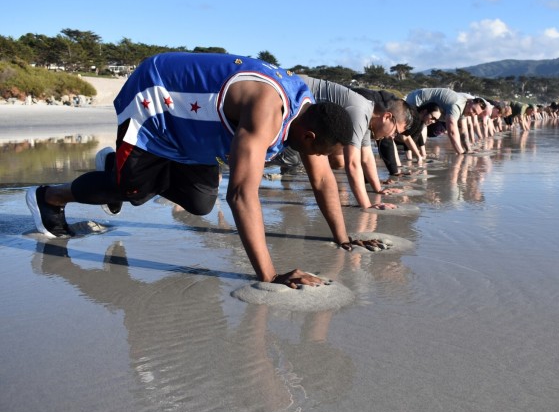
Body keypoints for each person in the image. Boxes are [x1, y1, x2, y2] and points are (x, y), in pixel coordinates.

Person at [26, 52, 382, 289]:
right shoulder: (268, 113)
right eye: (322, 152)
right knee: (130, 192)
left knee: (199, 203)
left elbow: (321, 181)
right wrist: (270, 276)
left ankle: (118, 167)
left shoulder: (308, 112)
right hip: (156, 104)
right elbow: (242, 195)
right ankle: (51, 196)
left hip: (195, 132)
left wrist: (344, 238)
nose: (325, 160)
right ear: (310, 136)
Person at [270, 77, 414, 209]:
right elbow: (352, 163)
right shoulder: (360, 112)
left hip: (297, 106)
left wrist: (379, 190)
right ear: (387, 117)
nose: (392, 136)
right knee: (289, 157)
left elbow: (366, 157)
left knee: (321, 158)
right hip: (285, 93)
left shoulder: (367, 116)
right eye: (395, 131)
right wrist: (367, 206)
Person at [405, 88, 486, 154]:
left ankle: (419, 152)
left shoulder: (466, 108)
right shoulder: (456, 105)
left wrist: (468, 150)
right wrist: (460, 152)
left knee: (423, 125)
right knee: (417, 126)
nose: (472, 114)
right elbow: (452, 132)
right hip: (417, 99)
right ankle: (414, 154)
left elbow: (463, 131)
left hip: (428, 104)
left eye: (476, 114)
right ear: (470, 102)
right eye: (474, 110)